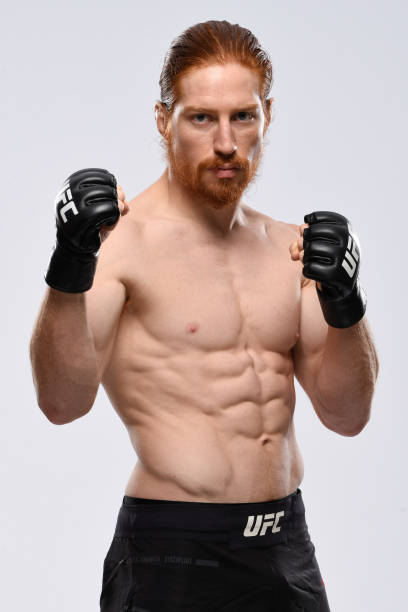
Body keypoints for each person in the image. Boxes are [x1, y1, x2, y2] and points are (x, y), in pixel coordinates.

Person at [29, 19, 379, 612]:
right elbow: (61, 404)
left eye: (242, 116)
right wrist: (69, 262)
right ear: (164, 120)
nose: (225, 143)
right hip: (172, 552)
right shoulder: (118, 246)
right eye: (201, 118)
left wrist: (346, 300)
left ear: (267, 115)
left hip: (286, 545)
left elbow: (348, 416)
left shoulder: (290, 248)